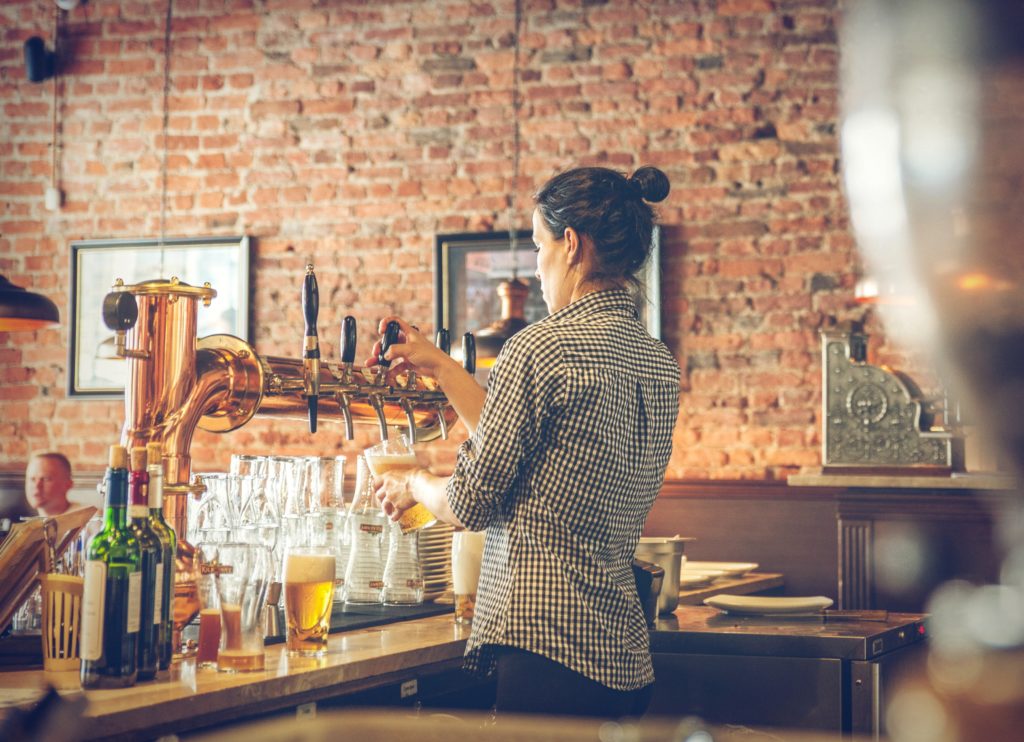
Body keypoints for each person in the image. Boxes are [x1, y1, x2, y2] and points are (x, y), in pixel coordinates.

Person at [369, 165, 680, 718]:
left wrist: (414, 481)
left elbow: (470, 503)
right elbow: (525, 440)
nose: (536, 269)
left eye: (538, 246)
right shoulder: (657, 360)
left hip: (548, 654)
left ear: (570, 244)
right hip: (623, 655)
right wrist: (441, 367)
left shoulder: (539, 348)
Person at [25, 451, 76, 517]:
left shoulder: (88, 523)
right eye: (32, 479)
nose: (37, 486)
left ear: (68, 484)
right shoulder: (30, 525)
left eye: (46, 479)